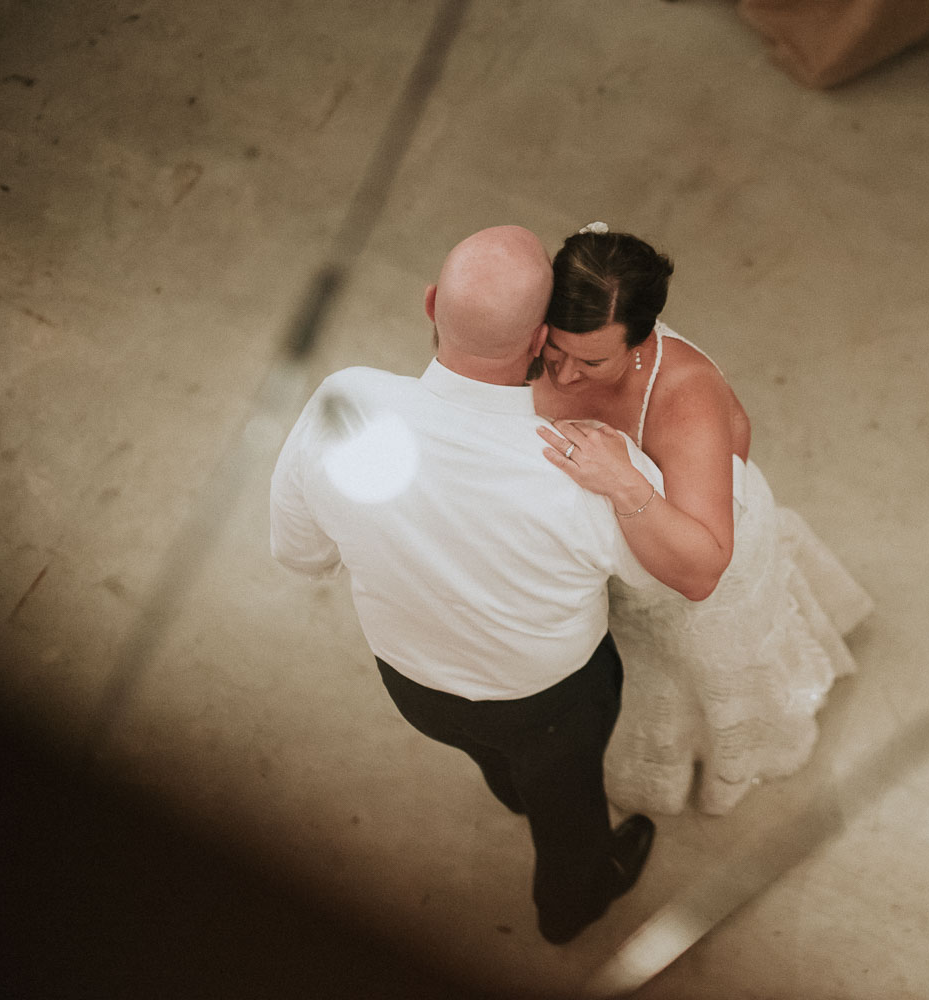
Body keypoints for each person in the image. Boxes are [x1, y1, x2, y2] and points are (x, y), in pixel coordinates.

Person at [269, 225, 663, 945]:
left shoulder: (343, 403)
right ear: (546, 337)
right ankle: (572, 903)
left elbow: (299, 554)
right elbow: (652, 578)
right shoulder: (588, 465)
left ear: (429, 304)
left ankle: (511, 789)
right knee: (569, 812)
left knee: (493, 757)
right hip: (549, 702)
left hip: (414, 685)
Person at [533, 224, 873, 815]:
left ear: (640, 343)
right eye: (553, 352)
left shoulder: (685, 395)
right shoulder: (543, 343)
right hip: (615, 568)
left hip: (698, 573)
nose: (563, 376)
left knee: (698, 669)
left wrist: (622, 481)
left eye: (592, 360)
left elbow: (699, 574)